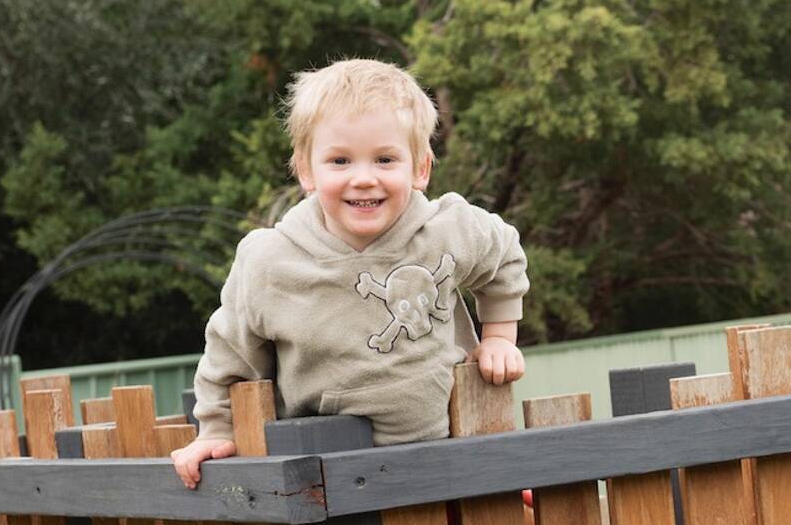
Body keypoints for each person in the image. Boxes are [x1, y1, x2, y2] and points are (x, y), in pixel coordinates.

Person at [170, 58, 527, 488]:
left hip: (449, 459)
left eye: (384, 159)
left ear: (420, 168)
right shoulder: (271, 262)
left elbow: (503, 251)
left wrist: (499, 338)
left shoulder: (445, 230)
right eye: (340, 161)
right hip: (327, 478)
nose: (363, 178)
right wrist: (216, 431)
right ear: (306, 170)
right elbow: (229, 354)